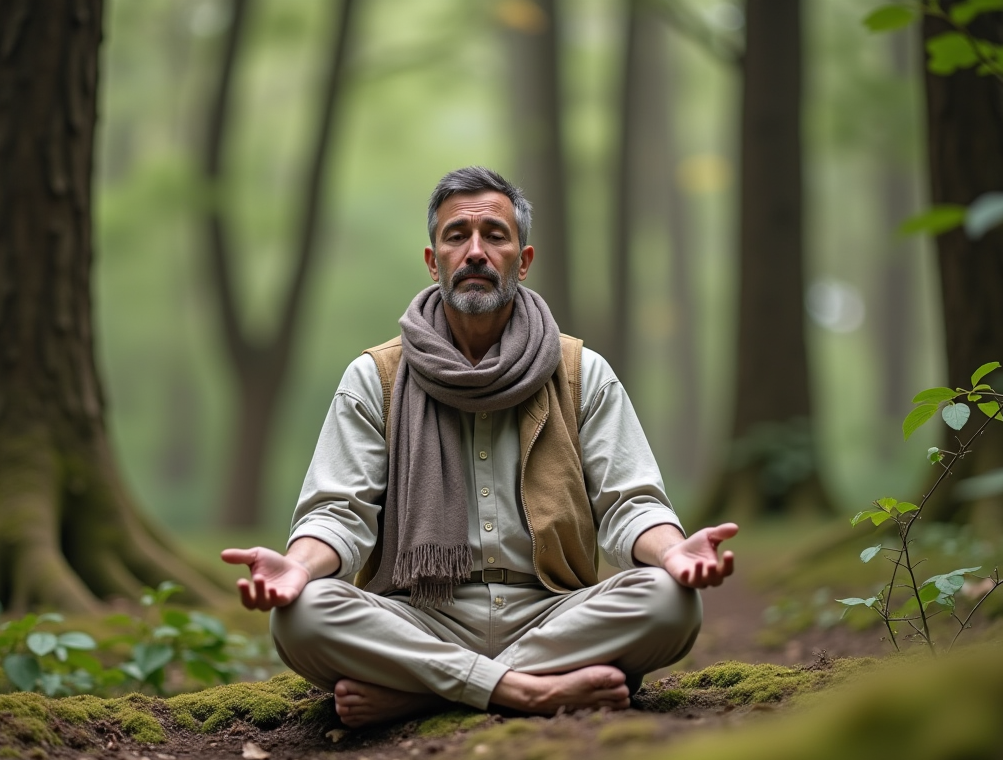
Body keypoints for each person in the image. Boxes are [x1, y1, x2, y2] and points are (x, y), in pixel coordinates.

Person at [222, 166, 736, 728]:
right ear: (432, 259)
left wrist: (673, 553)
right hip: (418, 617)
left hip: (553, 611)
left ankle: (424, 693)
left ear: (524, 258)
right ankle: (529, 691)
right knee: (302, 616)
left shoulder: (581, 372)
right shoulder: (377, 377)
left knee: (670, 602)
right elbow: (338, 513)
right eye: (455, 236)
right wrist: (296, 569)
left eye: (494, 235)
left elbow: (629, 503)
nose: (474, 252)